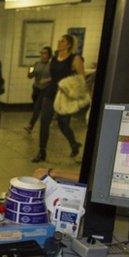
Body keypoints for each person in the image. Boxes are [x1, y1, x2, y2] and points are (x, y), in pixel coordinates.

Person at [32, 34, 84, 163]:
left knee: (63, 124)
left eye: (62, 41)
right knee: (44, 121)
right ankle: (42, 151)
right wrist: (47, 79)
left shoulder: (75, 59)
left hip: (65, 95)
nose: (59, 42)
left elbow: (81, 79)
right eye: (59, 40)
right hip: (51, 92)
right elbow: (55, 75)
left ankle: (74, 144)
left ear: (69, 44)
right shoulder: (55, 58)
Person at [24, 47, 52, 134]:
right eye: (42, 53)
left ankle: (30, 125)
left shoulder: (52, 65)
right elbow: (30, 76)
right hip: (36, 89)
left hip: (46, 89)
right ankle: (45, 118)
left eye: (45, 53)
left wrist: (46, 80)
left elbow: (55, 77)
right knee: (37, 107)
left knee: (37, 107)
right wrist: (30, 70)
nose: (43, 55)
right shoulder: (36, 64)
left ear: (49, 55)